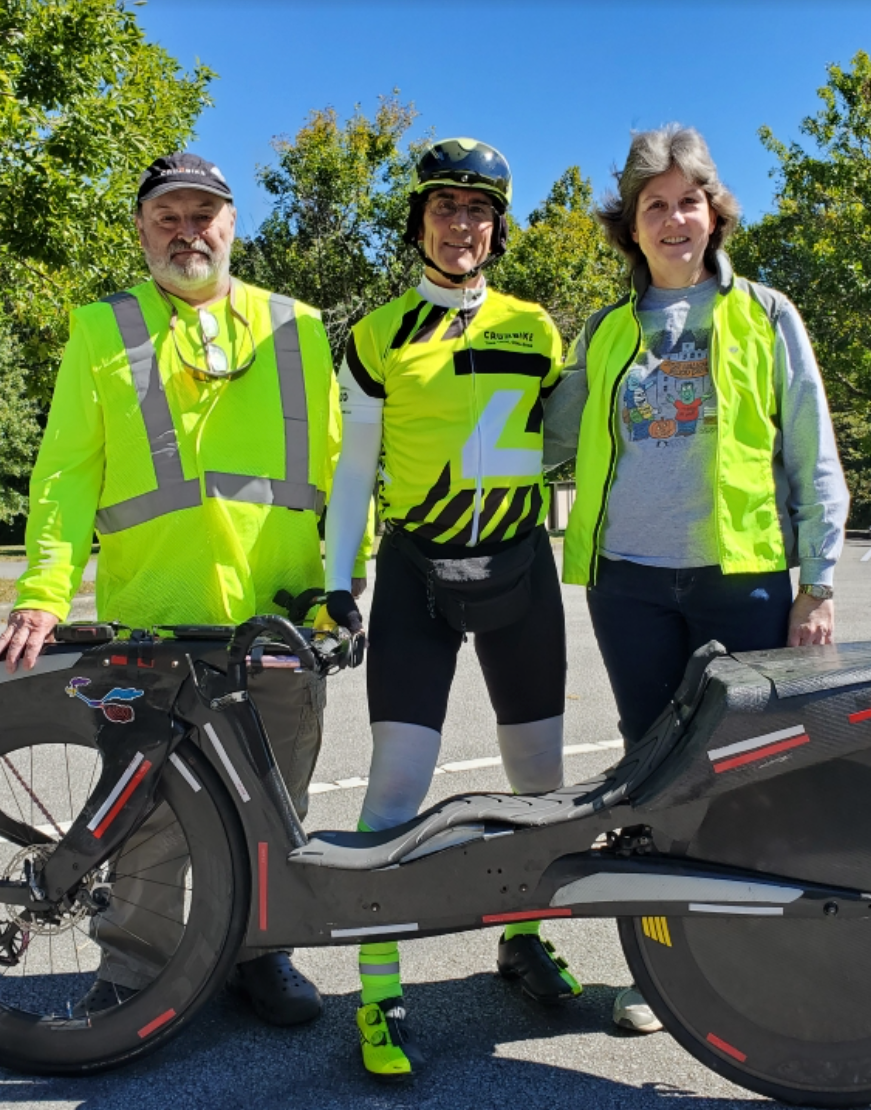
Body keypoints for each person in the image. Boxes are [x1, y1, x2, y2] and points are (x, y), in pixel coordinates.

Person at [0, 151, 367, 1028]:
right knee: (149, 805)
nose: (188, 231)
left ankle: (261, 956)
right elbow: (66, 474)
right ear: (141, 229)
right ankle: (135, 967)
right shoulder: (101, 331)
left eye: (205, 214)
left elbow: (345, 475)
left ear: (232, 225)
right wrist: (44, 588)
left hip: (280, 611)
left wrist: (343, 585)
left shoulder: (298, 327)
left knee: (279, 800)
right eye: (168, 216)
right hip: (153, 615)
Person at [545, 124, 849, 1034]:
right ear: (629, 227)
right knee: (657, 783)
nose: (674, 219)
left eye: (688, 201)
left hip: (742, 581)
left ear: (714, 214)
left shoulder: (766, 313)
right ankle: (667, 973)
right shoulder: (605, 333)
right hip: (629, 587)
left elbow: (812, 449)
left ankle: (768, 963)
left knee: (755, 778)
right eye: (654, 205)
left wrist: (819, 582)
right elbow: (543, 433)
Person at [325, 138, 576, 1080]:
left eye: (478, 210)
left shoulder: (540, 330)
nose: (461, 223)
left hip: (519, 573)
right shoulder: (377, 333)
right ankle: (378, 988)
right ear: (418, 221)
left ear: (497, 228)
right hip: (416, 576)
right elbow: (355, 469)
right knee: (395, 787)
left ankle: (524, 939)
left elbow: (571, 437)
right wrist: (335, 579)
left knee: (539, 790)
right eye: (444, 207)